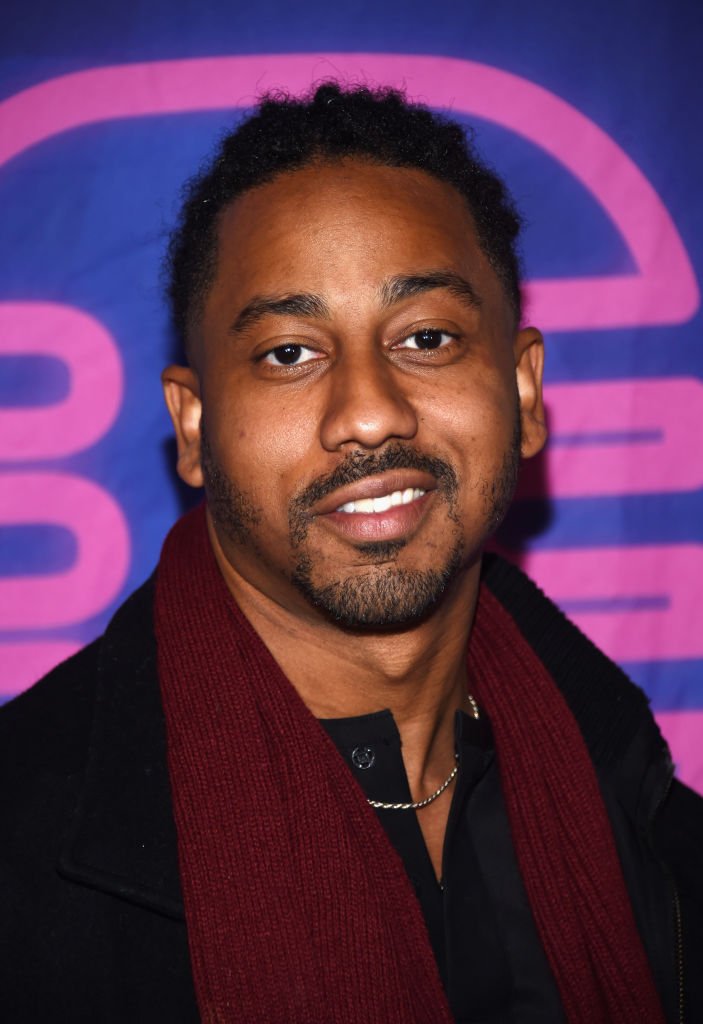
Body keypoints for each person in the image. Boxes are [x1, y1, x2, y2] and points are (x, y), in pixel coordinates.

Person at [1, 83, 701, 1024]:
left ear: (526, 394)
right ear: (195, 426)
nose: (368, 411)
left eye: (426, 337)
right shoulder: (23, 851)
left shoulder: (645, 819)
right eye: (290, 353)